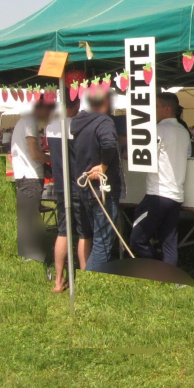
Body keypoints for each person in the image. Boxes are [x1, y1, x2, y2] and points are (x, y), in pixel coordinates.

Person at [130, 92, 191, 266]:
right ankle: (170, 275)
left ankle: (160, 267)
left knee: (137, 238)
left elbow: (147, 157)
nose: (153, 110)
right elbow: (187, 156)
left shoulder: (158, 130)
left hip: (158, 193)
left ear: (166, 109)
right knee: (169, 242)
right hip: (176, 194)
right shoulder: (184, 132)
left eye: (155, 107)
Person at [71, 89, 122, 273]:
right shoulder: (104, 121)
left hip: (87, 190)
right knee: (103, 242)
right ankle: (88, 287)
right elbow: (108, 144)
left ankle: (91, 282)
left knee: (98, 236)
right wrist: (104, 166)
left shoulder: (79, 123)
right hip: (103, 189)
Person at [45, 89, 89, 292]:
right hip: (79, 185)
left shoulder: (51, 126)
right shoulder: (79, 126)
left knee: (62, 231)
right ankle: (85, 276)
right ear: (76, 106)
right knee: (83, 233)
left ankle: (58, 280)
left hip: (61, 185)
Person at [11, 100, 52, 263]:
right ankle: (29, 257)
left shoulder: (24, 121)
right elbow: (35, 154)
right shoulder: (30, 122)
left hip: (25, 174)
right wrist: (53, 159)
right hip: (30, 176)